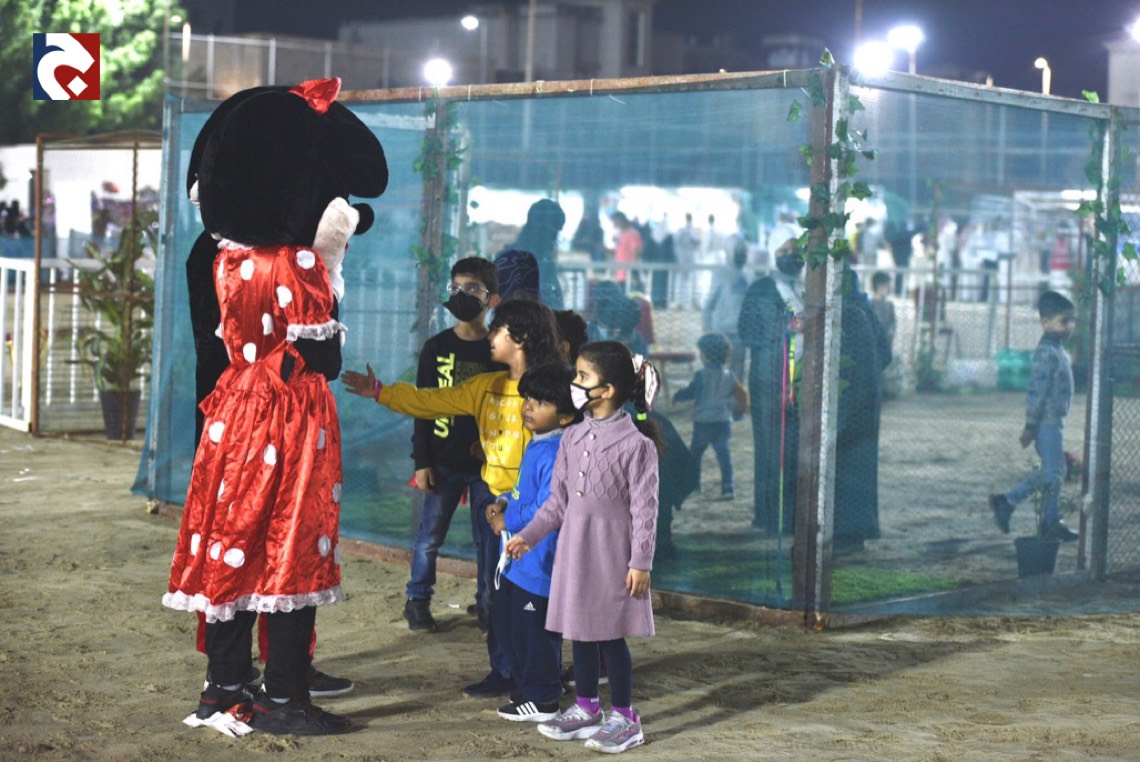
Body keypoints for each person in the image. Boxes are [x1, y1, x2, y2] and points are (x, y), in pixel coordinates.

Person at [341, 298, 563, 698]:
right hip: (495, 507)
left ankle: (541, 679)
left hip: (535, 510)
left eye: (498, 329)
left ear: (522, 337)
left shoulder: (553, 395)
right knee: (498, 593)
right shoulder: (486, 387)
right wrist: (380, 392)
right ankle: (505, 670)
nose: (490, 336)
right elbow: (432, 402)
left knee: (535, 597)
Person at [506, 341, 661, 754]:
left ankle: (625, 718)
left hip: (613, 555)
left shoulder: (637, 446)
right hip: (575, 552)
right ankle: (588, 708)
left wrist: (641, 562)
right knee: (580, 630)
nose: (574, 383)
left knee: (610, 636)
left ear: (607, 390)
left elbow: (646, 511)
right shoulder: (572, 437)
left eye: (582, 376)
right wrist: (528, 536)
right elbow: (556, 503)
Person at [405, 257, 503, 633]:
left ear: (492, 299)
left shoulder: (500, 351)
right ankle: (417, 602)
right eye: (456, 287)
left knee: (488, 539)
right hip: (442, 461)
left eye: (473, 289)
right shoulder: (436, 347)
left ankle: (489, 606)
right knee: (429, 537)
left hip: (489, 467)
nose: (462, 295)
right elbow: (422, 407)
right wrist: (422, 461)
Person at [485, 362, 580, 722]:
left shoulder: (557, 452)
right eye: (528, 399)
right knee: (510, 627)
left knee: (535, 634)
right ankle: (532, 688)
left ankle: (544, 699)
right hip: (518, 563)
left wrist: (506, 519)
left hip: (539, 565)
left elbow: (548, 507)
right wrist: (503, 501)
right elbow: (524, 492)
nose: (528, 407)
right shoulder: (539, 443)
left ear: (565, 416)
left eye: (541, 402)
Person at [990, 291, 1078, 542]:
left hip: (1054, 422)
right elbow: (1036, 392)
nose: (1070, 326)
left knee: (1055, 470)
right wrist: (1030, 426)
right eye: (1064, 321)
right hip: (1045, 423)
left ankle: (1044, 519)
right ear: (1046, 322)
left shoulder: (1057, 349)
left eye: (1072, 321)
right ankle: (1012, 503)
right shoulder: (1046, 352)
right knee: (1054, 472)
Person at [738, 245, 803, 534]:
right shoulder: (761, 289)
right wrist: (786, 328)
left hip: (801, 381)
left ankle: (793, 515)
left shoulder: (807, 287)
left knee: (795, 449)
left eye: (796, 250)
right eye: (785, 249)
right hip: (769, 380)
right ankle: (768, 516)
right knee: (769, 448)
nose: (792, 255)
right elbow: (747, 330)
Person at [673, 333, 738, 501]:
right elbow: (733, 396)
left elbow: (692, 392)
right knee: (723, 455)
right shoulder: (730, 375)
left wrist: (678, 396)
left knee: (696, 455)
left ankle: (695, 484)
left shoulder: (701, 375)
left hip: (704, 422)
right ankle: (728, 488)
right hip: (723, 422)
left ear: (706, 356)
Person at [501, 199, 566, 309]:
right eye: (555, 233)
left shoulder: (545, 260)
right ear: (543, 230)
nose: (555, 240)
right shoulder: (514, 262)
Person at [702, 239, 750, 382]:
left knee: (738, 372)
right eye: (739, 252)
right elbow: (709, 303)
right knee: (718, 371)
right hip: (721, 332)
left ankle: (735, 396)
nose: (742, 255)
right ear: (730, 252)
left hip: (740, 333)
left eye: (744, 252)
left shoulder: (746, 275)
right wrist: (706, 326)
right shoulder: (720, 274)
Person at [870, 271, 902, 400]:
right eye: (888, 284)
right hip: (873, 345)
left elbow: (892, 325)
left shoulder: (889, 305)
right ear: (880, 285)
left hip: (884, 345)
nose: (891, 287)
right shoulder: (870, 304)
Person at [671, 212, 700, 309]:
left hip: (684, 259)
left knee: (683, 281)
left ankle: (682, 302)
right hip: (689, 259)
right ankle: (692, 302)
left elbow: (675, 242)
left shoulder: (682, 231)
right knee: (692, 281)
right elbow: (697, 243)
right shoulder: (692, 231)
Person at [610, 212, 642, 284]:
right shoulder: (620, 234)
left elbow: (636, 253)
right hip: (620, 275)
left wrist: (633, 272)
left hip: (629, 276)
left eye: (615, 221)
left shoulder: (633, 234)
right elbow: (619, 252)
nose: (614, 224)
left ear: (620, 220)